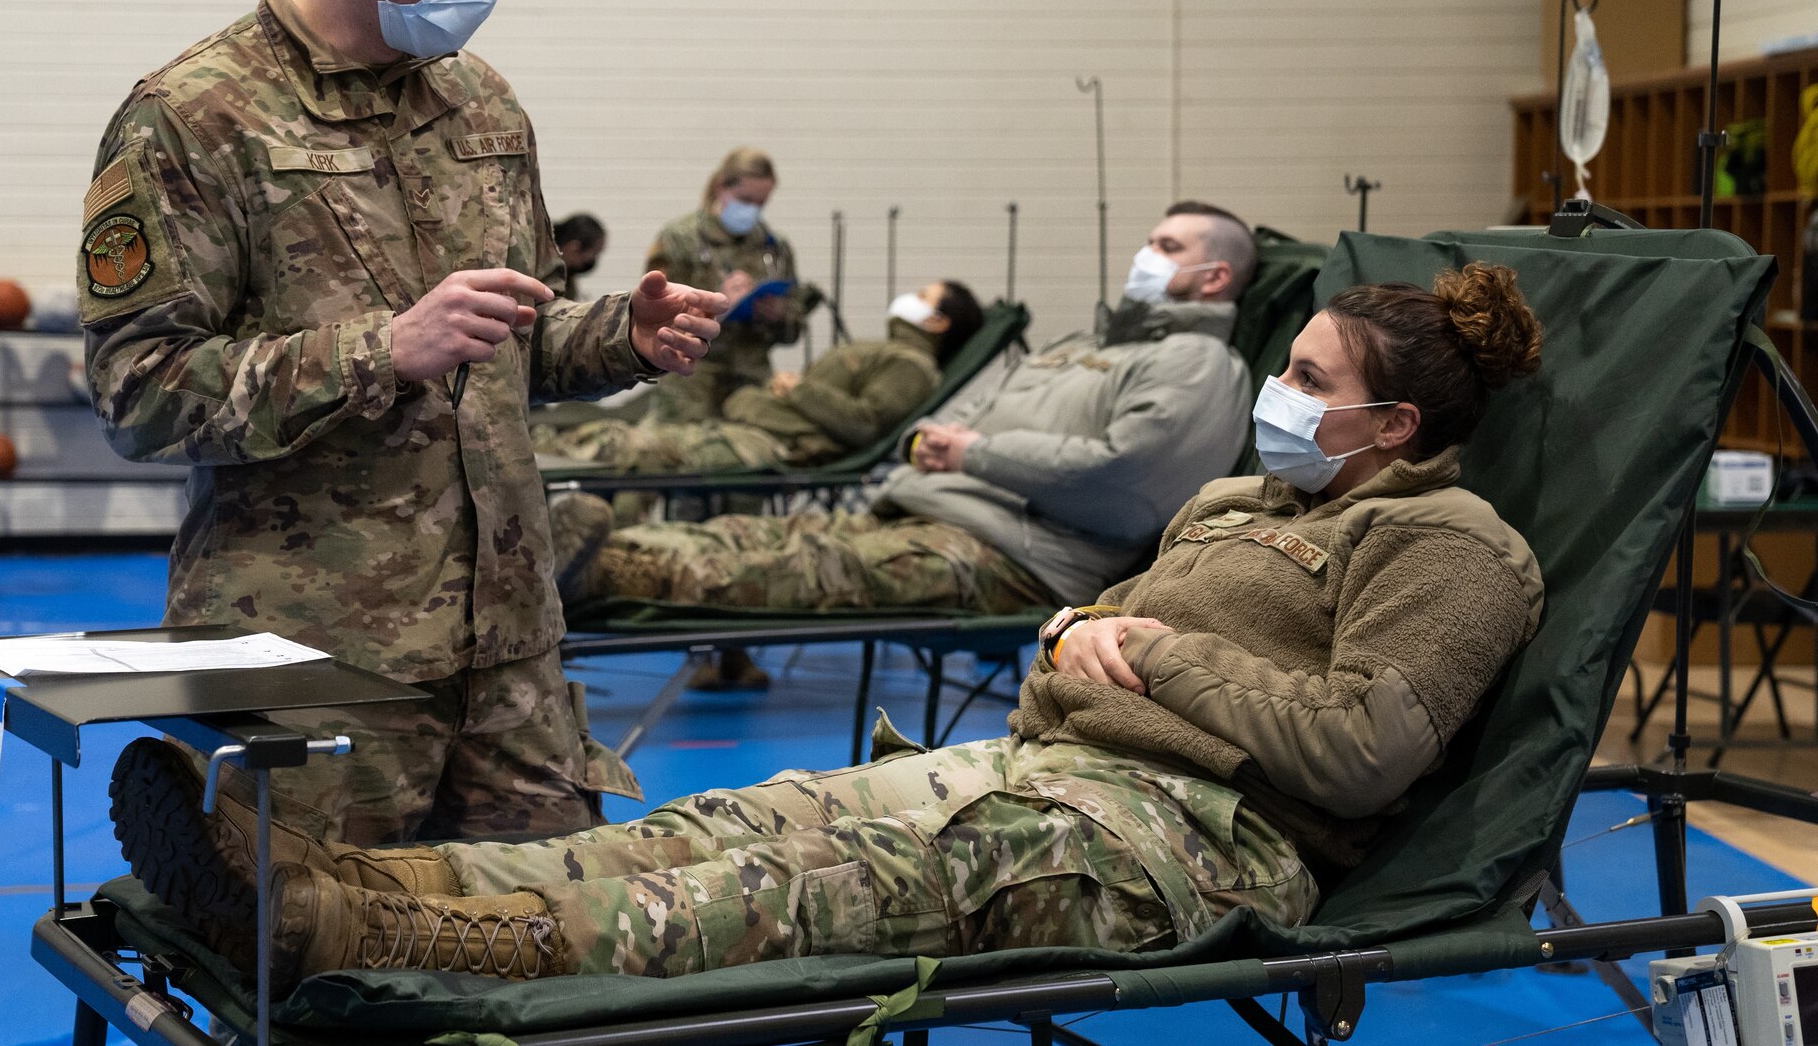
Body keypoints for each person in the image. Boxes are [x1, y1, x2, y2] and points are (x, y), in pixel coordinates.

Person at [110, 261, 1547, 985]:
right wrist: (1071, 644)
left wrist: (1155, 654)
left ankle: (354, 941)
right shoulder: (1246, 505)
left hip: (1188, 841)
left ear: (1394, 424)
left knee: (797, 889)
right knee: (724, 821)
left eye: (1306, 376)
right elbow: (1098, 616)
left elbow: (1363, 748)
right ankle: (323, 880)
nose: (1278, 396)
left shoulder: (1447, 541)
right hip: (1051, 767)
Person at [78, 0, 725, 847]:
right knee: (315, 973)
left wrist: (622, 335)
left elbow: (509, 336)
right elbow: (136, 393)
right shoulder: (193, 118)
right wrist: (381, 350)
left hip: (507, 648)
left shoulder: (481, 103)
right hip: (314, 663)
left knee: (545, 964)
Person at [554, 203, 1258, 618]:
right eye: (1150, 241)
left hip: (1013, 552)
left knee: (804, 565)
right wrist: (947, 444)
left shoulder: (1198, 367)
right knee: (756, 533)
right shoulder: (1084, 343)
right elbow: (966, 416)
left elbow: (1125, 483)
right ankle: (560, 556)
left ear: (1216, 274)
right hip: (928, 506)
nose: (1146, 255)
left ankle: (584, 572)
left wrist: (972, 451)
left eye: (1167, 248)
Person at [533, 280, 984, 477]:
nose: (911, 297)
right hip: (753, 428)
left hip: (776, 444)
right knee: (614, 438)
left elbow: (865, 424)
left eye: (924, 296)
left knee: (621, 447)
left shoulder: (911, 366)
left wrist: (797, 389)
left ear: (939, 321)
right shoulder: (891, 351)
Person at [645, 147, 811, 422]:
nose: (751, 210)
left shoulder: (775, 248)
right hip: (691, 385)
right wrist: (716, 306)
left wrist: (779, 315)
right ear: (722, 187)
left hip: (751, 388)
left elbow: (793, 330)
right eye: (745, 200)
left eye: (760, 204)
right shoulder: (680, 239)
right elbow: (653, 319)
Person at [552, 213, 606, 300]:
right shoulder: (543, 274)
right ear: (574, 248)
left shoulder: (567, 277)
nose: (592, 260)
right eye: (594, 253)